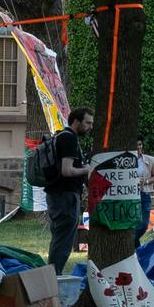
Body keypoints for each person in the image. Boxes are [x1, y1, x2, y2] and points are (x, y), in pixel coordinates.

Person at [42, 107, 94, 273]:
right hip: (65, 196)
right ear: (76, 121)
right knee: (63, 240)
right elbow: (67, 170)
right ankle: (54, 277)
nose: (90, 127)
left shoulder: (61, 136)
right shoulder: (69, 139)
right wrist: (87, 170)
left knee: (59, 238)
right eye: (87, 122)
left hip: (58, 195)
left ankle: (52, 275)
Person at [133, 136, 154, 243]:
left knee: (144, 225)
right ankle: (134, 248)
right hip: (131, 195)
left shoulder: (149, 159)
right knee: (133, 224)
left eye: (140, 144)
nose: (138, 147)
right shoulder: (127, 160)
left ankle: (132, 243)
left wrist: (146, 181)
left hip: (144, 194)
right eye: (136, 145)